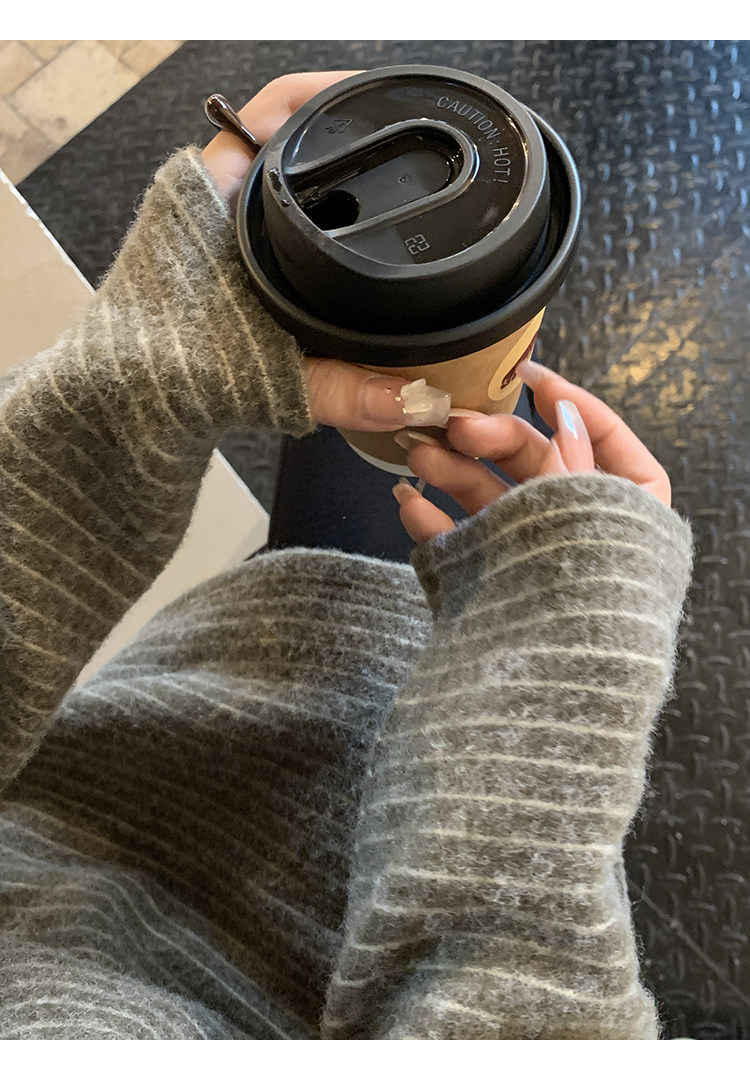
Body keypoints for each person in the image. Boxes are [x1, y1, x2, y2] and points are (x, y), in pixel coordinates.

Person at [0, 72, 692, 1040]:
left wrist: (118, 386)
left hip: (163, 734)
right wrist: (553, 704)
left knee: (386, 418)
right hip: (348, 915)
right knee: (402, 422)